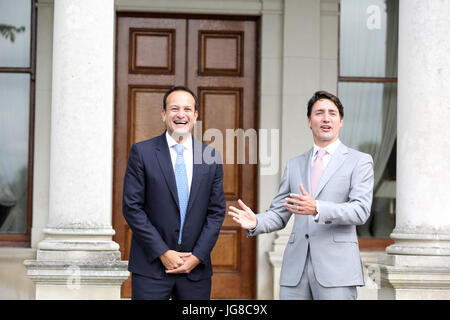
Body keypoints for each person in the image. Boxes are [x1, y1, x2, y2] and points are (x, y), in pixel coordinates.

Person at [228, 90, 374, 300]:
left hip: (337, 272)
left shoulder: (359, 161)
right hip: (295, 272)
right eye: (319, 113)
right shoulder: (294, 164)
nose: (326, 118)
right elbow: (279, 214)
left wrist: (318, 208)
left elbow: (360, 211)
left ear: (340, 121)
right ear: (309, 121)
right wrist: (256, 222)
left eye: (332, 113)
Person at [123, 86, 226, 300]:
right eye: (174, 108)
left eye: (187, 109)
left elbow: (216, 212)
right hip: (151, 267)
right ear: (164, 115)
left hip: (195, 270)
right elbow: (132, 208)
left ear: (195, 115)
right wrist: (163, 252)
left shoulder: (210, 157)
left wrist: (197, 256)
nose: (181, 114)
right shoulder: (142, 153)